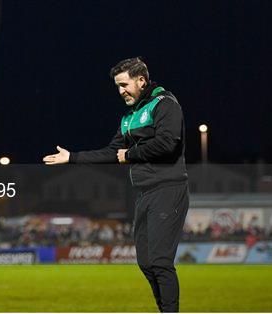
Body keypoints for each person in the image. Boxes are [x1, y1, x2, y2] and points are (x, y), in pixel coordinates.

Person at [43, 57, 189, 312]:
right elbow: (112, 152)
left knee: (160, 261)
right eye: (117, 87)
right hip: (143, 194)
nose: (121, 91)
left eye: (124, 85)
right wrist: (73, 158)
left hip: (168, 189)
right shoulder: (128, 118)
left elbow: (168, 143)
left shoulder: (165, 104)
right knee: (146, 262)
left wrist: (130, 154)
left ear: (141, 81)